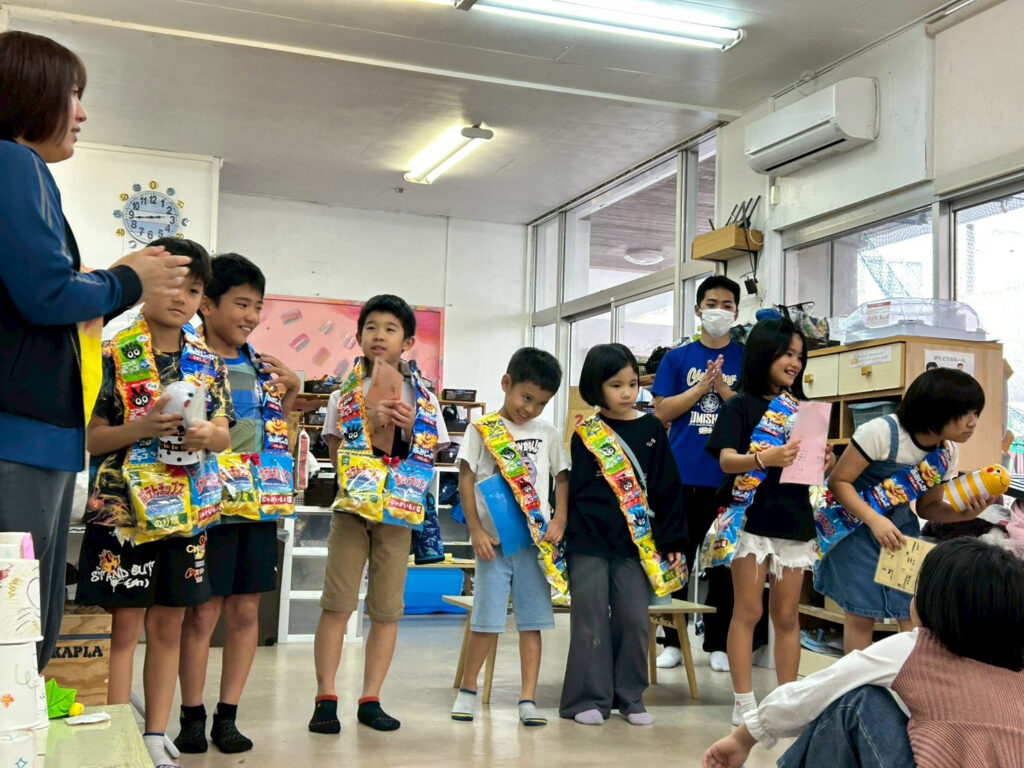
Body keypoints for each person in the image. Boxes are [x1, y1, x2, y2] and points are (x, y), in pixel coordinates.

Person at [0, 30, 193, 670]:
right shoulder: (13, 163)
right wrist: (126, 280)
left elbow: (47, 303)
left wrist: (116, 286)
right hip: (22, 438)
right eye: (72, 94)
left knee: (27, 621)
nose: (80, 113)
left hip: (38, 437)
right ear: (28, 92)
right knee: (17, 629)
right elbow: (46, 294)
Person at [74, 238, 232, 768]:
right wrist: (140, 428)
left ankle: (153, 736)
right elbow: (92, 439)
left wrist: (210, 435)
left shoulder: (208, 363)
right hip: (122, 516)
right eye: (171, 285)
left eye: (195, 290)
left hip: (187, 513)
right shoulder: (112, 352)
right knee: (125, 628)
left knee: (169, 626)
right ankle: (117, 736)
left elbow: (225, 433)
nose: (182, 298)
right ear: (144, 284)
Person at [702, 537, 1024, 768]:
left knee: (856, 701)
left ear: (938, 606)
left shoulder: (917, 648)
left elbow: (817, 690)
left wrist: (743, 738)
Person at [174, 253, 301, 754]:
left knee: (246, 611)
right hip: (206, 506)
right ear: (207, 305)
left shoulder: (259, 367)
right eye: (241, 304)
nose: (251, 316)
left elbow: (272, 436)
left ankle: (227, 716)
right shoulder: (186, 362)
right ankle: (190, 716)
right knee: (201, 613)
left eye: (258, 306)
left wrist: (291, 393)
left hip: (257, 506)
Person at [309, 294, 449, 735]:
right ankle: (325, 697)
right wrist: (366, 423)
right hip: (353, 510)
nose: (379, 336)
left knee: (387, 609)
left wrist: (409, 429)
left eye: (390, 329)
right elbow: (336, 458)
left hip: (398, 513)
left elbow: (432, 455)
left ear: (407, 342)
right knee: (337, 604)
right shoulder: (343, 395)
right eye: (371, 327)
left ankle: (371, 698)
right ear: (358, 336)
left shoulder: (423, 397)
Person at [705, 317, 833, 725]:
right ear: (764, 354)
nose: (795, 363)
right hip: (750, 520)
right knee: (748, 612)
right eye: (786, 354)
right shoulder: (739, 405)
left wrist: (825, 462)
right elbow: (726, 461)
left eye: (799, 356)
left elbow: (810, 474)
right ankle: (743, 702)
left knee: (788, 615)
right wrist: (765, 458)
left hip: (793, 519)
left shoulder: (805, 411)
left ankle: (786, 701)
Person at [817, 368, 988, 653]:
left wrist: (965, 515)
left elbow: (928, 507)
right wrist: (874, 521)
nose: (973, 423)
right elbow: (839, 482)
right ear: (935, 410)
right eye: (964, 414)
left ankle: (906, 680)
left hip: (901, 535)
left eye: (976, 414)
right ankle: (856, 682)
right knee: (861, 617)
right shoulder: (880, 432)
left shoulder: (946, 452)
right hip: (856, 531)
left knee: (910, 616)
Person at [559, 344, 687, 726]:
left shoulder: (652, 429)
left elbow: (667, 487)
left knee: (634, 621)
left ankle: (631, 698)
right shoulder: (587, 433)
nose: (627, 392)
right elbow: (578, 490)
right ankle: (586, 699)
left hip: (636, 545)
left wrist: (673, 540)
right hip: (588, 541)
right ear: (596, 387)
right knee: (590, 622)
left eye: (633, 383)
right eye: (616, 385)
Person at [448, 347, 569, 726]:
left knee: (532, 623)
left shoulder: (547, 433)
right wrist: (475, 529)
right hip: (493, 545)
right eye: (525, 397)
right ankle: (468, 689)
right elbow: (465, 479)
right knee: (486, 620)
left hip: (534, 544)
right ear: (506, 383)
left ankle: (528, 699)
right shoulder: (481, 429)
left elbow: (562, 478)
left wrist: (560, 518)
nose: (530, 409)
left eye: (541, 403)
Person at [651, 275, 761, 672]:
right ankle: (672, 641)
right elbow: (661, 411)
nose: (719, 311)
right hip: (682, 476)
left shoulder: (748, 360)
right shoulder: (677, 359)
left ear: (736, 312)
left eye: (727, 305)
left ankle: (718, 643)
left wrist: (724, 390)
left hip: (729, 479)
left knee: (724, 564)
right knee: (676, 559)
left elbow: (756, 414)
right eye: (712, 304)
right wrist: (700, 389)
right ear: (698, 310)